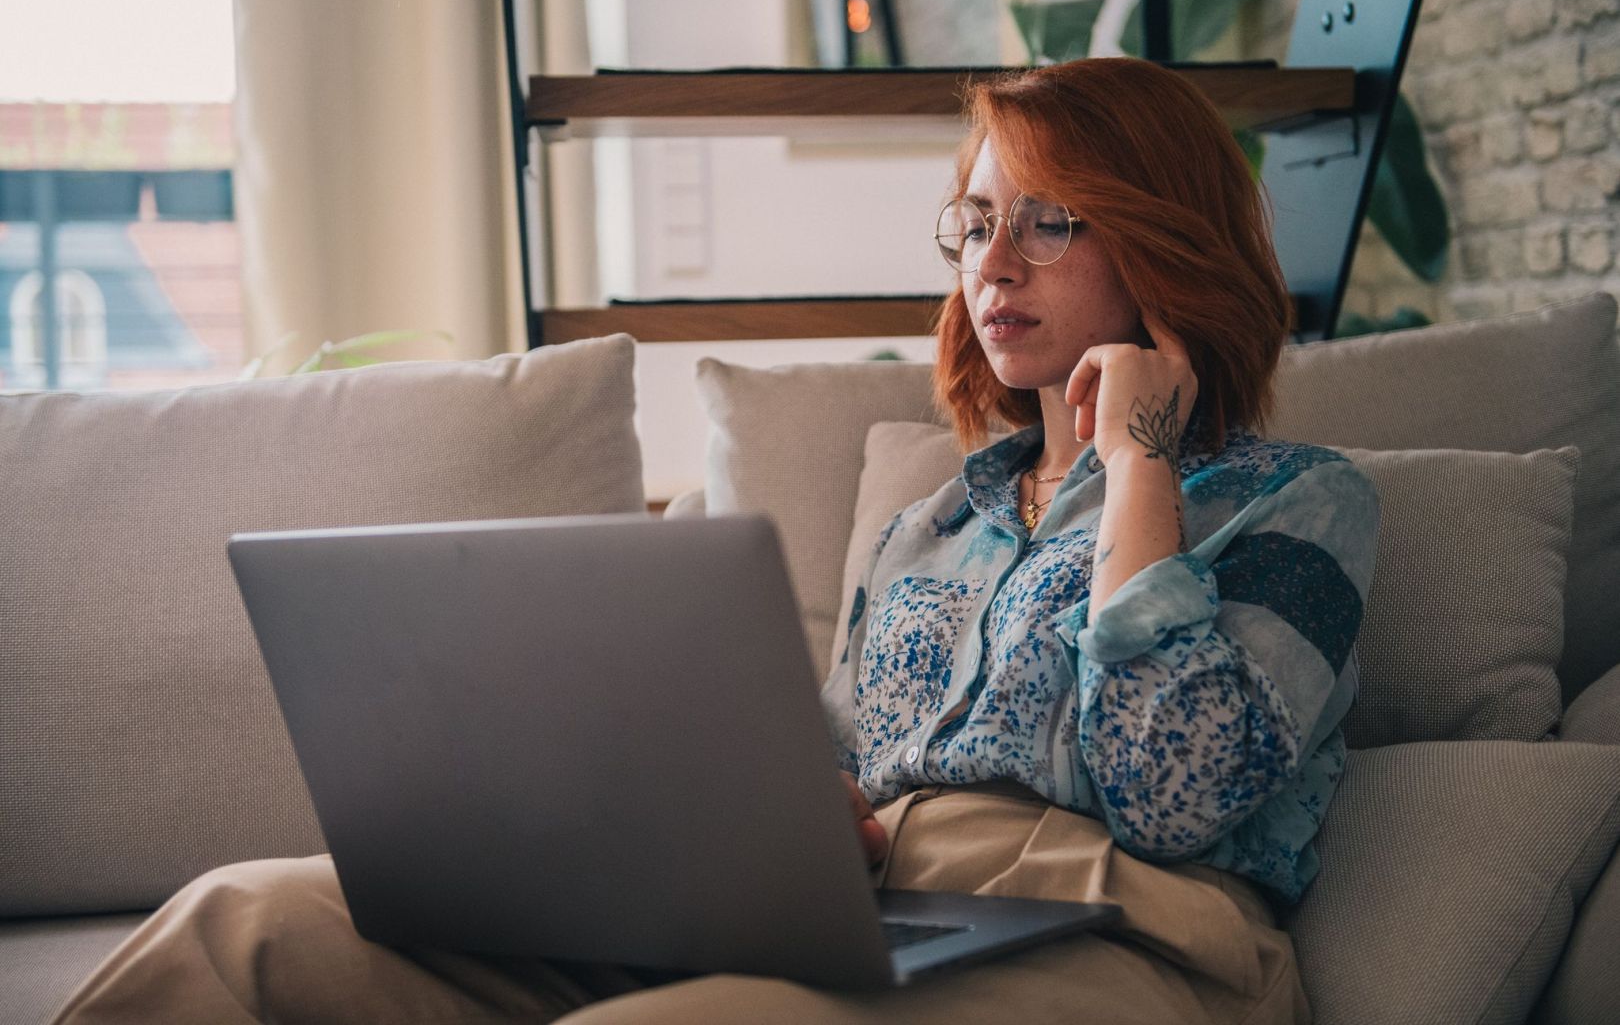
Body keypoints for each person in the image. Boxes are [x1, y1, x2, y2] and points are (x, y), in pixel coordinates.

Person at [53, 56, 1378, 1025]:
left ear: (1163, 235)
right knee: (246, 924)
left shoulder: (1295, 502)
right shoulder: (936, 516)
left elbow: (1178, 791)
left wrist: (1139, 458)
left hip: (1122, 945)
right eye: (977, 223)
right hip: (871, 913)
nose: (992, 264)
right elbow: (838, 763)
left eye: (1047, 221)